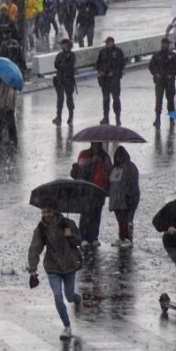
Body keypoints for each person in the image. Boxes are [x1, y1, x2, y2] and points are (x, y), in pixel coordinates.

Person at [27, 197, 83, 340]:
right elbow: (35, 248)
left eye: (49, 211)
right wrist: (32, 268)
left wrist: (71, 235)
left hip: (69, 265)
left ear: (55, 211)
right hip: (52, 267)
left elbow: (79, 241)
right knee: (58, 295)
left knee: (69, 297)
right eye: (44, 212)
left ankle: (76, 298)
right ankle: (67, 326)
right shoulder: (41, 228)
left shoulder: (68, 223)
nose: (47, 215)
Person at [72, 142, 111, 246]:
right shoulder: (84, 153)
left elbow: (109, 169)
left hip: (100, 190)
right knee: (86, 213)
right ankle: (83, 237)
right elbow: (80, 163)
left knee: (96, 214)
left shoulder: (105, 156)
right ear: (91, 144)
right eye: (95, 144)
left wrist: (107, 163)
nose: (97, 146)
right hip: (87, 188)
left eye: (99, 144)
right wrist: (93, 159)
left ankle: (93, 237)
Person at [108, 146, 140, 248]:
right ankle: (122, 237)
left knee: (127, 220)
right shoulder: (114, 168)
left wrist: (128, 196)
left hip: (127, 199)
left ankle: (128, 239)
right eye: (117, 156)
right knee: (120, 220)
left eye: (121, 156)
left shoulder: (131, 167)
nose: (119, 159)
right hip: (116, 200)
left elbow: (133, 183)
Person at [149, 37, 176, 127]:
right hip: (159, 81)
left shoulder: (173, 55)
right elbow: (151, 66)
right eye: (165, 43)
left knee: (170, 100)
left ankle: (171, 118)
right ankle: (157, 118)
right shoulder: (156, 55)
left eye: (168, 44)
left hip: (169, 81)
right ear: (162, 44)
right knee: (158, 100)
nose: (166, 45)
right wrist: (156, 74)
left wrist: (172, 74)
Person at [95, 36, 126, 126]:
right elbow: (97, 64)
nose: (107, 44)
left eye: (108, 43)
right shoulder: (102, 52)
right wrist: (101, 71)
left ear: (112, 42)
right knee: (105, 99)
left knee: (116, 99)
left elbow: (121, 65)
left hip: (114, 80)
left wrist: (114, 73)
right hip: (105, 80)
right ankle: (106, 117)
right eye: (106, 43)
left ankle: (118, 118)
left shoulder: (118, 52)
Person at [53, 38, 76, 125]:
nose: (62, 46)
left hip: (68, 80)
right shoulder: (60, 55)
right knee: (60, 99)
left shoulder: (72, 55)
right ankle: (58, 117)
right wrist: (62, 65)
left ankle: (70, 116)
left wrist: (62, 65)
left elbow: (70, 65)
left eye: (63, 44)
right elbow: (56, 65)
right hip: (60, 80)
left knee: (69, 99)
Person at [0, 75, 17, 144]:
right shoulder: (3, 80)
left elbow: (10, 94)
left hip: (7, 105)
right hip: (3, 104)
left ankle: (13, 138)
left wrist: (6, 104)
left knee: (10, 121)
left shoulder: (9, 81)